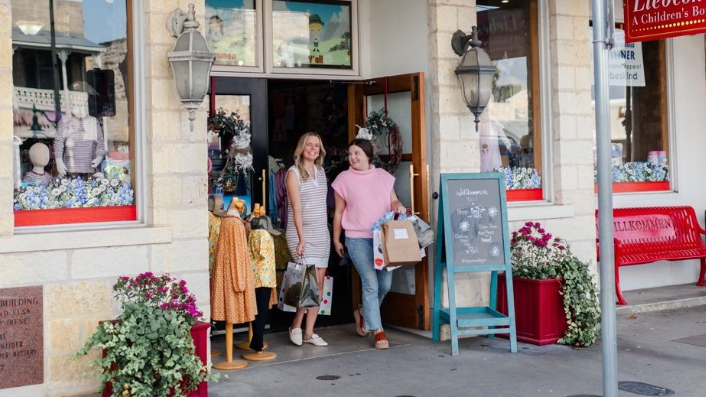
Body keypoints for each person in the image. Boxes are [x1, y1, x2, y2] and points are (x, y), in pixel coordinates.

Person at [331, 137, 407, 350]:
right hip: (356, 238)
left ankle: (364, 313)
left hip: (382, 238)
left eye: (357, 153)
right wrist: (336, 239)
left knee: (385, 284)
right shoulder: (343, 179)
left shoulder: (383, 176)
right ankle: (378, 330)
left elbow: (393, 200)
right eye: (350, 153)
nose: (352, 157)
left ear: (367, 156)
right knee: (370, 283)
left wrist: (399, 205)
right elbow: (338, 212)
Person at [286, 132, 330, 347]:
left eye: (316, 145)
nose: (312, 148)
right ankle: (295, 324)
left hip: (322, 234)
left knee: (319, 283)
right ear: (301, 148)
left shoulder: (321, 172)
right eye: (308, 145)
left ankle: (309, 332)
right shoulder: (293, 173)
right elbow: (296, 208)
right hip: (301, 234)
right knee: (308, 283)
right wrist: (301, 238)